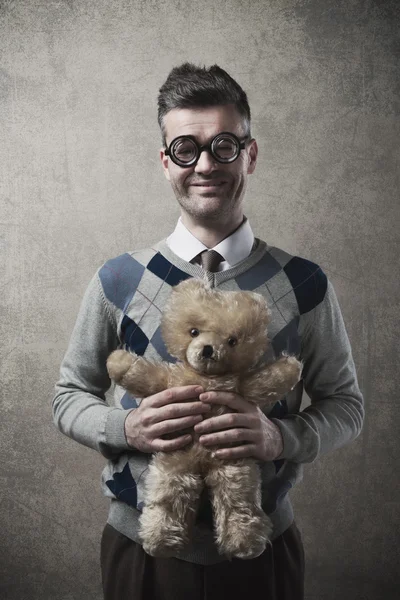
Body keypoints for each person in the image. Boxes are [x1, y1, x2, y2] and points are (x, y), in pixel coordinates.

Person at [52, 63, 364, 600]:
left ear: (250, 153)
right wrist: (125, 428)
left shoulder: (305, 282)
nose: (204, 165)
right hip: (142, 549)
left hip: (262, 550)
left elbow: (346, 405)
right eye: (184, 148)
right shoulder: (118, 277)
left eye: (223, 145)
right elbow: (67, 397)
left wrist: (280, 438)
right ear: (165, 161)